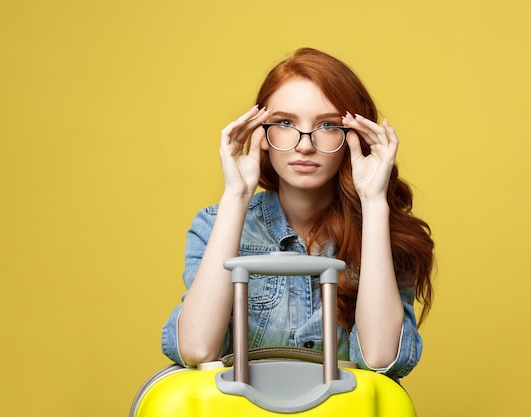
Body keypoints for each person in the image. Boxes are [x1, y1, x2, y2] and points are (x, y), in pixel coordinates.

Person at [162, 47, 434, 380]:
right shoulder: (212, 225)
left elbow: (380, 357)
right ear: (260, 131)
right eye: (285, 122)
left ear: (355, 136)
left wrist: (374, 202)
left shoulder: (385, 235)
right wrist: (237, 195)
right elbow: (196, 348)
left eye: (328, 126)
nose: (305, 145)